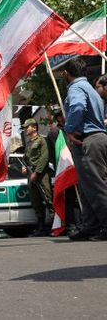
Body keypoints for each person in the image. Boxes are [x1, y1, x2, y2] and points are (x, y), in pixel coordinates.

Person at [62, 58, 107, 241]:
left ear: (66, 73)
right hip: (96, 139)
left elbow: (78, 106)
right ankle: (91, 226)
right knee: (88, 187)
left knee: (96, 186)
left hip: (88, 140)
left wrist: (69, 128)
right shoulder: (90, 88)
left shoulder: (76, 88)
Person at [21, 118, 53, 237]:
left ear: (34, 127)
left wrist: (37, 172)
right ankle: (41, 227)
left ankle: (56, 225)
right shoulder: (29, 143)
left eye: (27, 127)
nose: (25, 129)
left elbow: (44, 157)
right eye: (25, 127)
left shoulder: (41, 140)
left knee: (48, 198)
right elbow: (26, 158)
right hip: (31, 174)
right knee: (36, 201)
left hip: (41, 174)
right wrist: (24, 167)